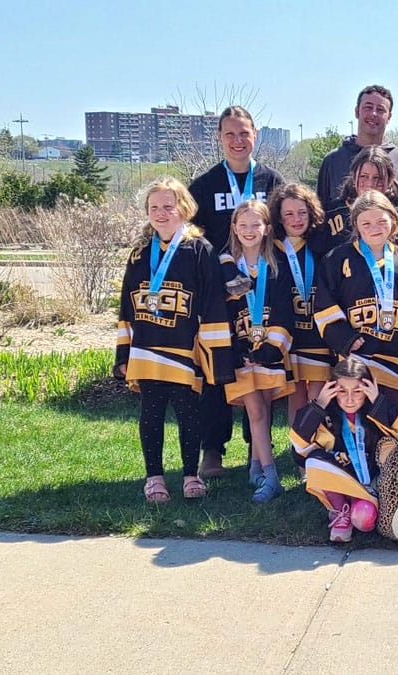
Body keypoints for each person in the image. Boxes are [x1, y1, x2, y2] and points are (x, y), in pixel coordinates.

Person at [115, 178, 234, 503]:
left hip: (185, 349)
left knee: (188, 414)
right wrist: (123, 351)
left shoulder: (199, 249)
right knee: (150, 413)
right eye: (154, 207)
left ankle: (190, 475)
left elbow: (212, 303)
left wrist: (213, 353)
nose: (161, 213)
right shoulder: (139, 253)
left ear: (184, 208)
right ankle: (154, 477)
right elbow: (126, 304)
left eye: (168, 206)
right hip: (146, 349)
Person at [189, 106, 284, 479]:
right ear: (219, 138)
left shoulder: (272, 179)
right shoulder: (205, 184)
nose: (237, 140)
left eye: (243, 133)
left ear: (255, 135)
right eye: (229, 134)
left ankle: (255, 448)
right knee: (218, 370)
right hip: (219, 294)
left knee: (260, 367)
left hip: (263, 289)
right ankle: (212, 449)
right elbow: (192, 237)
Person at [290, 356, 398, 543]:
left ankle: (358, 508)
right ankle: (341, 511)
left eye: (357, 391)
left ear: (368, 389)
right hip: (340, 483)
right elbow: (298, 445)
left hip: (372, 485)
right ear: (332, 389)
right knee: (314, 461)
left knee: (363, 520)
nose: (349, 399)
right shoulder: (326, 416)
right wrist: (320, 405)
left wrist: (378, 401)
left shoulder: (376, 411)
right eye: (342, 391)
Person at [314, 190, 398, 408]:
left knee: (390, 422)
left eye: (381, 221)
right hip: (355, 357)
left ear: (394, 219)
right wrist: (342, 336)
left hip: (396, 357)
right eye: (366, 223)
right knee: (355, 419)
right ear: (355, 225)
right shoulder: (336, 258)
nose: (375, 228)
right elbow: (323, 302)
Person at [220, 200, 295, 502]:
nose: (249, 231)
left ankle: (255, 467)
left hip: (269, 350)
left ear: (266, 229)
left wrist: (270, 348)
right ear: (234, 228)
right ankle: (272, 475)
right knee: (256, 410)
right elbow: (218, 312)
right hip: (240, 350)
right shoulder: (224, 265)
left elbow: (285, 310)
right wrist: (233, 349)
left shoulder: (277, 265)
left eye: (256, 225)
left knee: (264, 407)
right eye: (243, 225)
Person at [267, 183, 332, 442]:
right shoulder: (271, 247)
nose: (296, 219)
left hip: (317, 335)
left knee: (317, 398)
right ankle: (298, 451)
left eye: (302, 212)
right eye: (289, 214)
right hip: (288, 334)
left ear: (311, 212)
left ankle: (316, 451)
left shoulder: (321, 244)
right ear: (279, 217)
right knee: (296, 397)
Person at [315, 146, 398, 256]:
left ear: (390, 180)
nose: (370, 184)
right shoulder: (332, 211)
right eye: (363, 176)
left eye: (378, 178)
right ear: (354, 177)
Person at [316, 84, 398, 205]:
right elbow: (321, 214)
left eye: (380, 110)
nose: (373, 113)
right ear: (357, 112)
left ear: (389, 116)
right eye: (368, 107)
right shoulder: (333, 161)